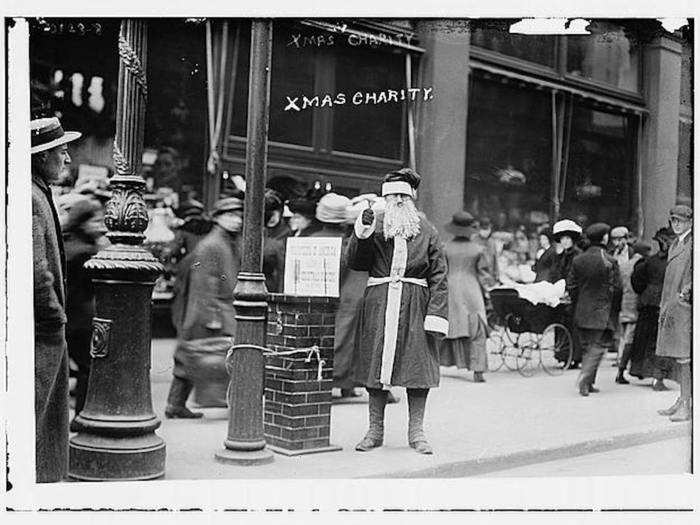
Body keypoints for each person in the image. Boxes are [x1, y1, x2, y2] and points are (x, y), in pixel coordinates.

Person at [347, 168, 448, 454]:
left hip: (415, 304)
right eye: (391, 196)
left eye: (403, 195)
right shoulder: (375, 226)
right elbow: (356, 262)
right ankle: (374, 430)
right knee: (376, 366)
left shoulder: (427, 230)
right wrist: (362, 233)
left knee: (417, 368)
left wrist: (436, 314)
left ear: (412, 197)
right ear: (384, 199)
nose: (398, 201)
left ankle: (417, 433)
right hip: (380, 303)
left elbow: (440, 275)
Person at [31, 116, 82, 482]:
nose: (67, 159)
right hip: (39, 332)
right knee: (37, 411)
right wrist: (54, 318)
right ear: (41, 157)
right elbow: (37, 271)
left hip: (41, 328)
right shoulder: (33, 198)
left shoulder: (37, 193)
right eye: (61, 152)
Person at [166, 196, 244, 418]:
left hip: (211, 309)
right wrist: (212, 317)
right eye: (230, 215)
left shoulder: (224, 241)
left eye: (238, 216)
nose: (236, 220)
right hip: (211, 310)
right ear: (218, 218)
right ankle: (230, 403)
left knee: (189, 355)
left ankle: (176, 404)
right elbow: (204, 283)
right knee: (199, 355)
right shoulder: (212, 245)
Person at [63, 197, 106, 427]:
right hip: (80, 318)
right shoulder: (85, 251)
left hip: (70, 317)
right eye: (95, 221)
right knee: (87, 368)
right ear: (83, 222)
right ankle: (80, 416)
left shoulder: (69, 243)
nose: (99, 226)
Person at [567, 223, 622, 397]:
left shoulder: (578, 260)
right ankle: (585, 379)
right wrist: (614, 309)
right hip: (602, 311)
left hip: (582, 310)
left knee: (587, 348)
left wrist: (579, 303)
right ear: (604, 238)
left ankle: (589, 383)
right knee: (598, 346)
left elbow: (571, 286)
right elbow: (618, 288)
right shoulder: (609, 260)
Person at [440, 211, 496, 383]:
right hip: (471, 290)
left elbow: (441, 271)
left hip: (451, 290)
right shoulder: (478, 249)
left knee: (449, 326)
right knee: (476, 328)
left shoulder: (445, 247)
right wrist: (491, 288)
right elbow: (484, 275)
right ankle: (478, 370)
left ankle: (439, 362)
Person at [656, 205, 693, 422]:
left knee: (685, 358)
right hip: (672, 307)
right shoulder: (677, 244)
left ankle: (687, 405)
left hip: (684, 308)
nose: (676, 224)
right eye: (673, 220)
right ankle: (682, 399)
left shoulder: (692, 243)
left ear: (690, 221)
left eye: (680, 220)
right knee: (680, 358)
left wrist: (685, 294)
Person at [628, 227, 676, 390]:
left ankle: (645, 372)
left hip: (649, 304)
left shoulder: (649, 261)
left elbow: (636, 280)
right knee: (660, 342)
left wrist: (645, 292)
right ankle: (658, 378)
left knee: (646, 340)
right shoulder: (675, 262)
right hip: (665, 304)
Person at [612, 227, 644, 384]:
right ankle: (621, 364)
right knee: (623, 334)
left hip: (629, 299)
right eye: (615, 240)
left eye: (619, 239)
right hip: (621, 299)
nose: (617, 242)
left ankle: (622, 363)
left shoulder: (633, 255)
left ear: (625, 239)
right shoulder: (614, 255)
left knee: (627, 334)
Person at [551, 219, 583, 367]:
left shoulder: (577, 256)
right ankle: (564, 355)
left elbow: (575, 276)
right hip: (563, 292)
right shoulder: (563, 256)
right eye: (562, 238)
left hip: (575, 294)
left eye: (567, 238)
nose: (564, 241)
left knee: (573, 325)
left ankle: (575, 357)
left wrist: (569, 290)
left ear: (573, 239)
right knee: (562, 322)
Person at [262, 189, 289, 293]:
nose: (273, 217)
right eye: (269, 214)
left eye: (276, 212)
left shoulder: (287, 234)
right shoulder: (255, 231)